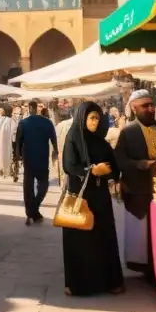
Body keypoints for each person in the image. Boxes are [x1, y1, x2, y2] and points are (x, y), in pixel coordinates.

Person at [60, 101, 125, 297]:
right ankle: (78, 284)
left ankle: (109, 281)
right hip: (79, 197)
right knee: (79, 240)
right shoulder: (73, 138)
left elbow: (114, 165)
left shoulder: (100, 141)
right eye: (91, 118)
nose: (95, 122)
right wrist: (91, 170)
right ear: (83, 118)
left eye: (97, 118)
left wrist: (109, 172)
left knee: (103, 237)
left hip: (100, 197)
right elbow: (69, 166)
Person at [113, 90, 156, 276]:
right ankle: (143, 267)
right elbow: (120, 160)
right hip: (137, 188)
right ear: (134, 109)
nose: (151, 109)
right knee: (141, 233)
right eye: (145, 106)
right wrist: (142, 164)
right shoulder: (128, 132)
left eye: (152, 105)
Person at [16, 101, 59, 225]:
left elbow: (18, 141)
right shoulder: (47, 122)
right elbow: (54, 139)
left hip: (28, 159)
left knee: (28, 187)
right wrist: (56, 153)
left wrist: (17, 157)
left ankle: (31, 212)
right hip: (42, 158)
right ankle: (34, 210)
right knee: (43, 185)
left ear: (29, 108)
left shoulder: (23, 123)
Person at [0, 105, 19, 178]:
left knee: (5, 156)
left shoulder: (9, 120)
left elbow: (13, 131)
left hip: (6, 142)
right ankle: (2, 170)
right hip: (1, 141)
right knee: (2, 155)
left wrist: (13, 140)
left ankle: (6, 171)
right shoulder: (3, 120)